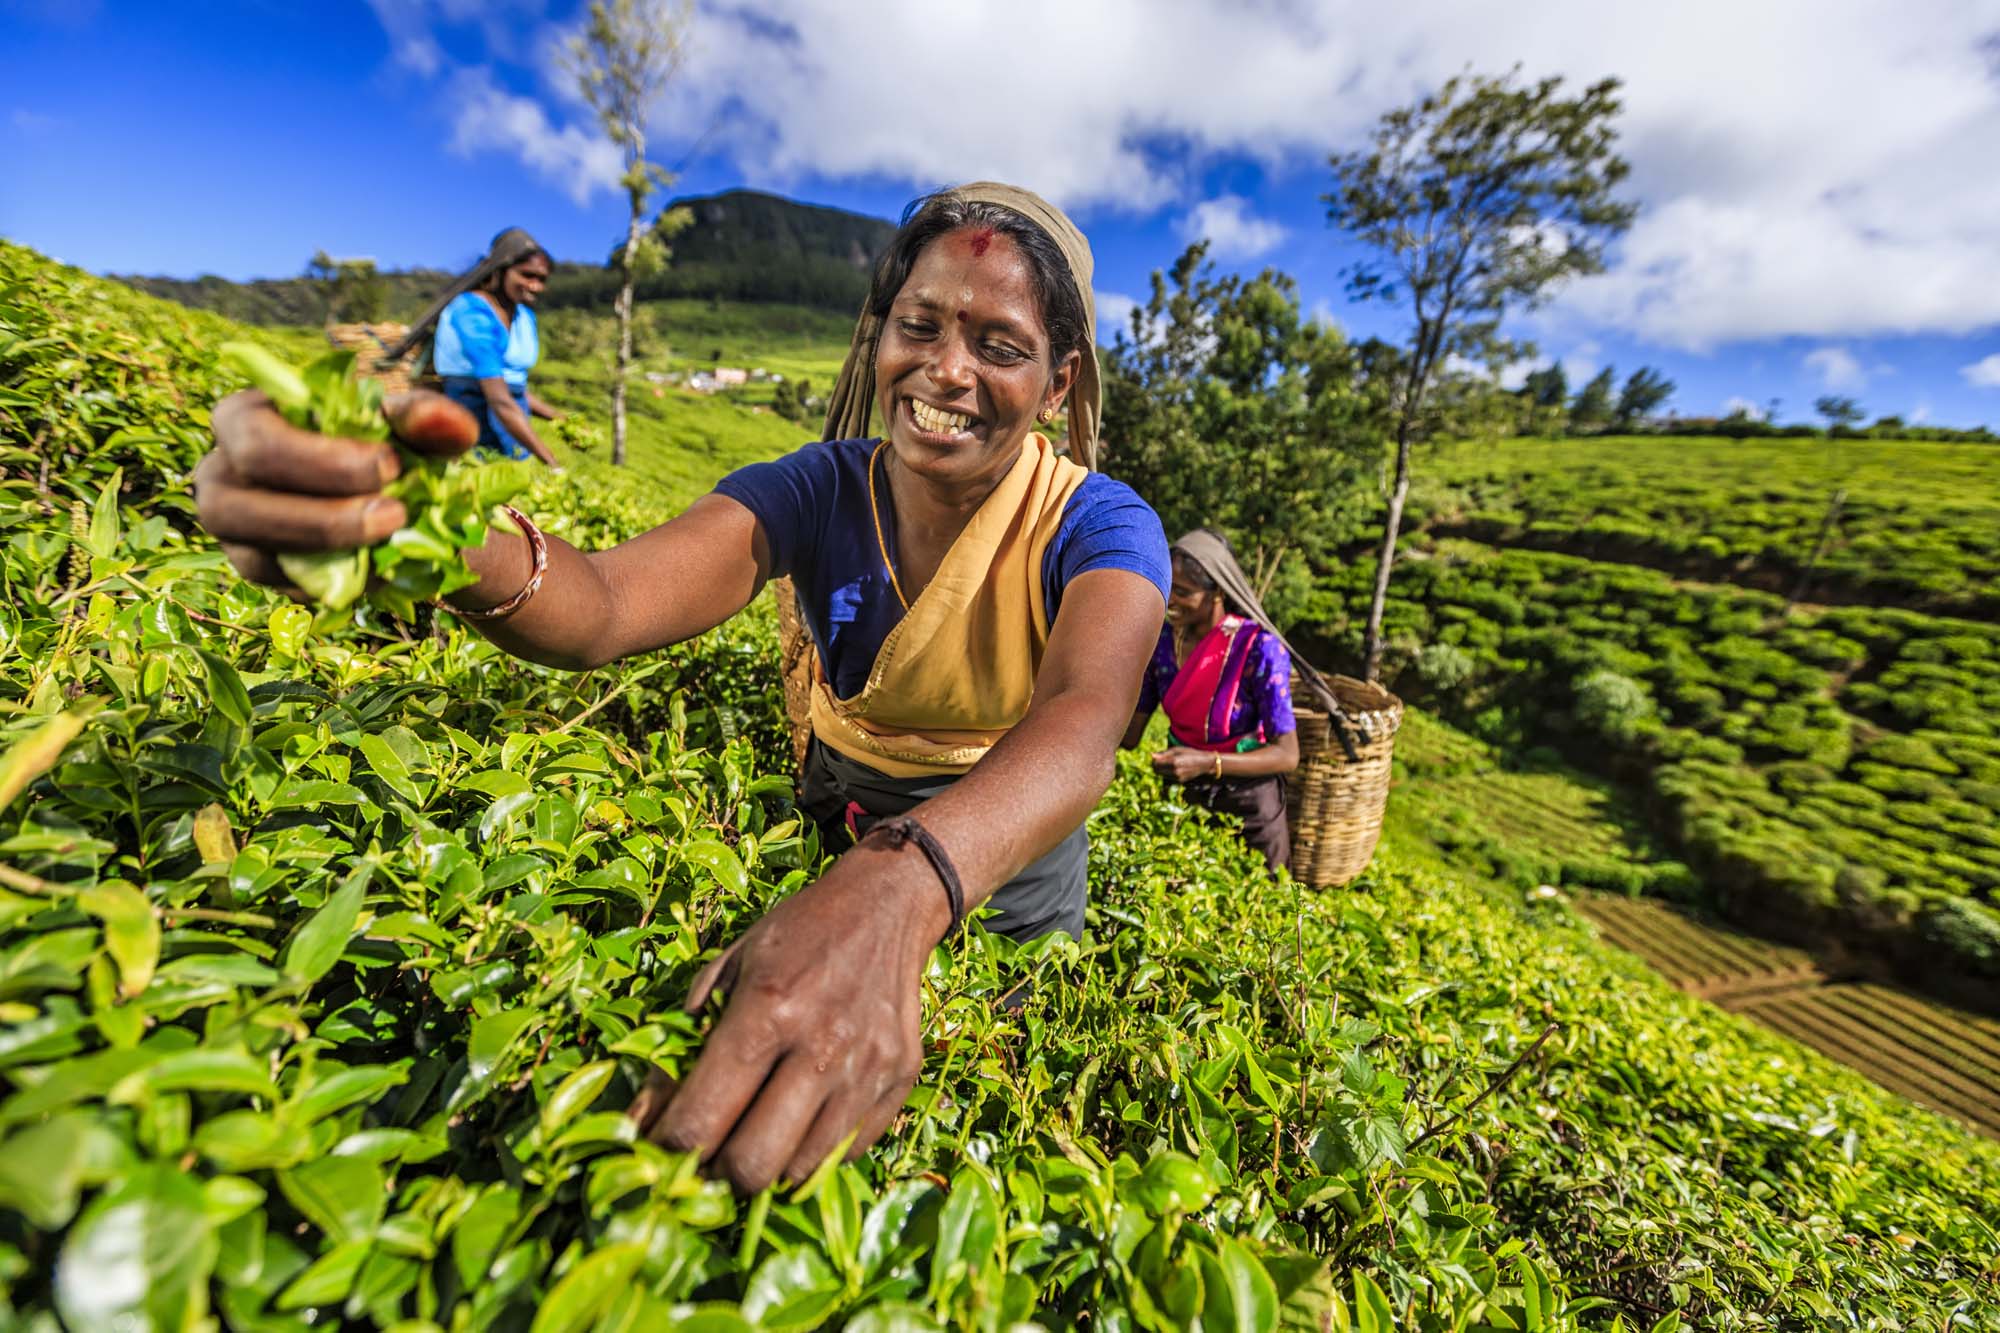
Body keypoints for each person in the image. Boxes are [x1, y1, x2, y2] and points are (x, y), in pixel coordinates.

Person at [192, 183, 1169, 1195]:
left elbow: (1081, 720)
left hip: (1008, 837)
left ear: (1057, 385)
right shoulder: (818, 487)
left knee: (992, 1070)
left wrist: (899, 888)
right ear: (881, 337)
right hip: (845, 800)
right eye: (917, 325)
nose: (946, 369)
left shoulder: (1099, 525)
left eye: (999, 346)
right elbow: (607, 601)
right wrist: (418, 522)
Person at [1122, 530, 1301, 870]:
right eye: (1168, 586)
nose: (1169, 600)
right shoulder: (1161, 643)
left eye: (1184, 592)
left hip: (1250, 809)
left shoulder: (1258, 649)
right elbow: (1130, 735)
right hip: (1183, 798)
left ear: (1217, 591)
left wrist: (1207, 763)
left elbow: (1287, 754)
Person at [383, 227, 563, 468]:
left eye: (542, 279)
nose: (535, 286)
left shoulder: (524, 316)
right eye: (527, 275)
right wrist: (552, 463)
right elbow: (498, 398)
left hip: (513, 424)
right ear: (501, 271)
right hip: (473, 421)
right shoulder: (471, 311)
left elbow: (512, 386)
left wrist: (561, 420)